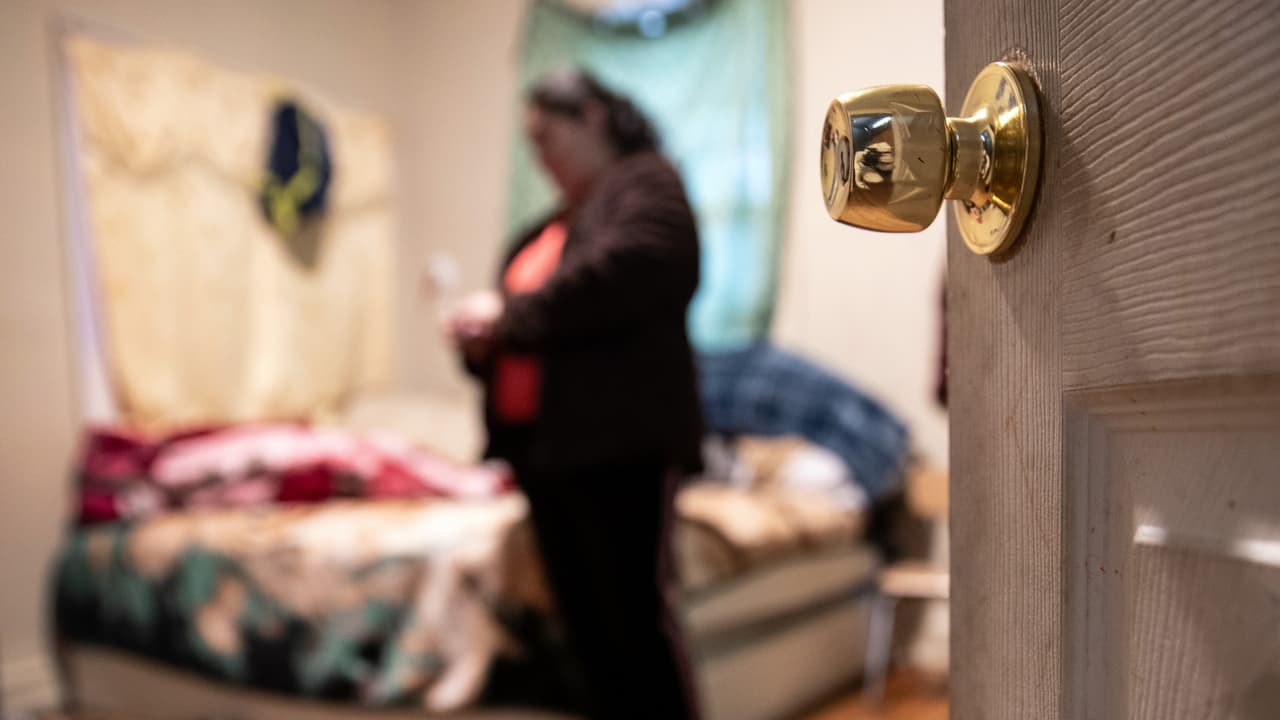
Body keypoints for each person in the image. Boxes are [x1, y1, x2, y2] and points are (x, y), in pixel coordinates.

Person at [445, 69, 703, 719]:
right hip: (547, 456)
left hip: (619, 446)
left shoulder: (645, 183)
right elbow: (531, 333)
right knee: (585, 631)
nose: (539, 155)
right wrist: (482, 345)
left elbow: (632, 271)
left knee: (631, 623)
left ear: (591, 117)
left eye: (546, 135)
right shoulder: (554, 223)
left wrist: (507, 317)